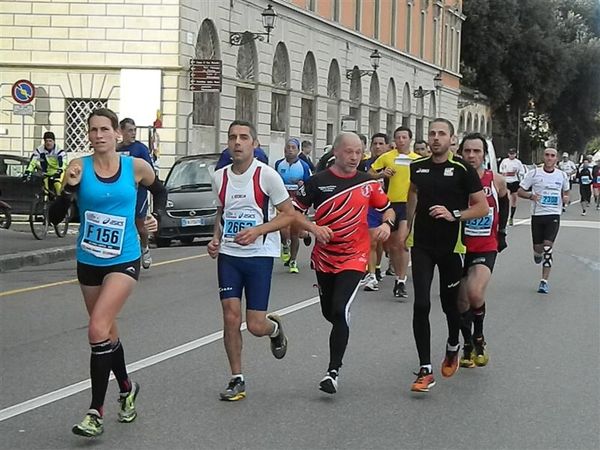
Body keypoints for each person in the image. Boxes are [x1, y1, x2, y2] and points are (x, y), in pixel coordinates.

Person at [48, 108, 167, 437]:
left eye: (104, 129)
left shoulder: (135, 167)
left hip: (124, 259)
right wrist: (69, 190)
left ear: (117, 133)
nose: (98, 135)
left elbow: (160, 190)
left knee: (96, 328)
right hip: (89, 260)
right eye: (93, 130)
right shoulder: (78, 169)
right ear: (88, 135)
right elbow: (56, 217)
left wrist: (154, 217)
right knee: (106, 334)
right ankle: (127, 388)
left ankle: (95, 412)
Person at [293, 132, 395, 394]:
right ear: (335, 153)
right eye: (348, 151)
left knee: (339, 310)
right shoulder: (316, 182)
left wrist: (386, 223)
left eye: (358, 152)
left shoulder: (368, 183)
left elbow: (388, 207)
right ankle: (340, 323)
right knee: (330, 313)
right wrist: (311, 229)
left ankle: (332, 372)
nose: (353, 157)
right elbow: (293, 213)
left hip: (355, 256)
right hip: (325, 257)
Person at [208, 120, 294, 401]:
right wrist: (215, 239)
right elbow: (222, 213)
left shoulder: (267, 176)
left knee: (255, 325)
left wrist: (257, 230)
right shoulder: (219, 176)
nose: (237, 142)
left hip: (259, 255)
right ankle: (237, 378)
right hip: (230, 256)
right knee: (230, 318)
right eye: (232, 137)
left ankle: (274, 328)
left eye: (244, 137)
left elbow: (288, 214)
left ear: (254, 144)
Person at [406, 118, 488, 393]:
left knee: (449, 304)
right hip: (422, 245)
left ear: (452, 139)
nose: (436, 138)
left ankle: (454, 343)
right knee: (420, 304)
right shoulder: (418, 168)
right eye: (432, 133)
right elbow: (413, 195)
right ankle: (425, 369)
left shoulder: (463, 169)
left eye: (442, 134)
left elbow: (482, 207)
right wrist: (408, 228)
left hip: (452, 246)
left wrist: (455, 215)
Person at [455, 133, 509, 369]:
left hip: (485, 246)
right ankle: (467, 345)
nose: (471, 156)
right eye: (467, 151)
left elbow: (505, 201)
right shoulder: (455, 180)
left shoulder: (495, 180)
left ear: (484, 155)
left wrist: (502, 232)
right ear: (461, 153)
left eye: (476, 151)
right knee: (460, 302)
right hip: (458, 247)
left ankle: (479, 337)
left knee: (475, 292)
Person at [369, 126, 420, 299]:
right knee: (390, 245)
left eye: (404, 137)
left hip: (407, 205)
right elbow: (369, 174)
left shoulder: (417, 160)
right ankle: (395, 273)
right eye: (398, 137)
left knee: (401, 243)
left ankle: (400, 281)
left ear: (410, 139)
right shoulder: (387, 157)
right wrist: (382, 175)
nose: (401, 140)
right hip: (389, 205)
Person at [517, 148, 570, 294]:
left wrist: (566, 198)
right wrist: (530, 196)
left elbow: (566, 192)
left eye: (552, 156)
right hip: (537, 216)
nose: (549, 158)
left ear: (556, 159)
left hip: (553, 215)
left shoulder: (562, 175)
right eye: (547, 155)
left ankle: (544, 281)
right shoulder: (534, 173)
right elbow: (520, 191)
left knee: (548, 247)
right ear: (543, 157)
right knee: (539, 249)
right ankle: (537, 254)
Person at [118, 118, 156, 270]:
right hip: (121, 192)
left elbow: (150, 171)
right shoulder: (116, 149)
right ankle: (124, 255)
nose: (133, 133)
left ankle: (145, 248)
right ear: (121, 131)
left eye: (134, 130)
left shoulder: (141, 149)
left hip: (138, 192)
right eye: (129, 130)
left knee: (140, 225)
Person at [275, 138, 312, 273]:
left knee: (295, 232)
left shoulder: (304, 166)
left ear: (298, 150)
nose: (290, 150)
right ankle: (285, 245)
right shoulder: (279, 164)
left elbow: (310, 185)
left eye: (293, 147)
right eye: (288, 147)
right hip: (282, 201)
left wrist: (303, 185)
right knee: (282, 229)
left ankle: (293, 260)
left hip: (298, 202)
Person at [362, 133, 391, 291]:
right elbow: (363, 178)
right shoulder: (366, 164)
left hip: (390, 207)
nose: (378, 146)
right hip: (372, 207)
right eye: (375, 143)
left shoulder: (393, 162)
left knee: (384, 243)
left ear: (387, 146)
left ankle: (378, 266)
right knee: (372, 240)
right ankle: (371, 275)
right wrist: (379, 175)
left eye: (381, 143)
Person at [24, 131, 66, 196]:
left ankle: (60, 200)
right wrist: (28, 171)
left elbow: (63, 162)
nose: (48, 143)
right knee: (45, 187)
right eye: (46, 141)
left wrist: (60, 170)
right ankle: (45, 201)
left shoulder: (59, 151)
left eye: (50, 141)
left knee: (57, 184)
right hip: (46, 172)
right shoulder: (40, 150)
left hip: (58, 172)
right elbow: (33, 161)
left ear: (54, 141)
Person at [499, 149, 526, 226]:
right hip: (506, 181)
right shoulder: (504, 161)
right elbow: (501, 170)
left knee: (514, 200)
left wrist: (519, 176)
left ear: (515, 154)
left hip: (514, 181)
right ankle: (505, 217)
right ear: (508, 154)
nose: (511, 155)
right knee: (507, 199)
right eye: (510, 154)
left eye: (513, 154)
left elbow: (522, 172)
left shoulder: (518, 162)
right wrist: (504, 174)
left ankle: (511, 217)